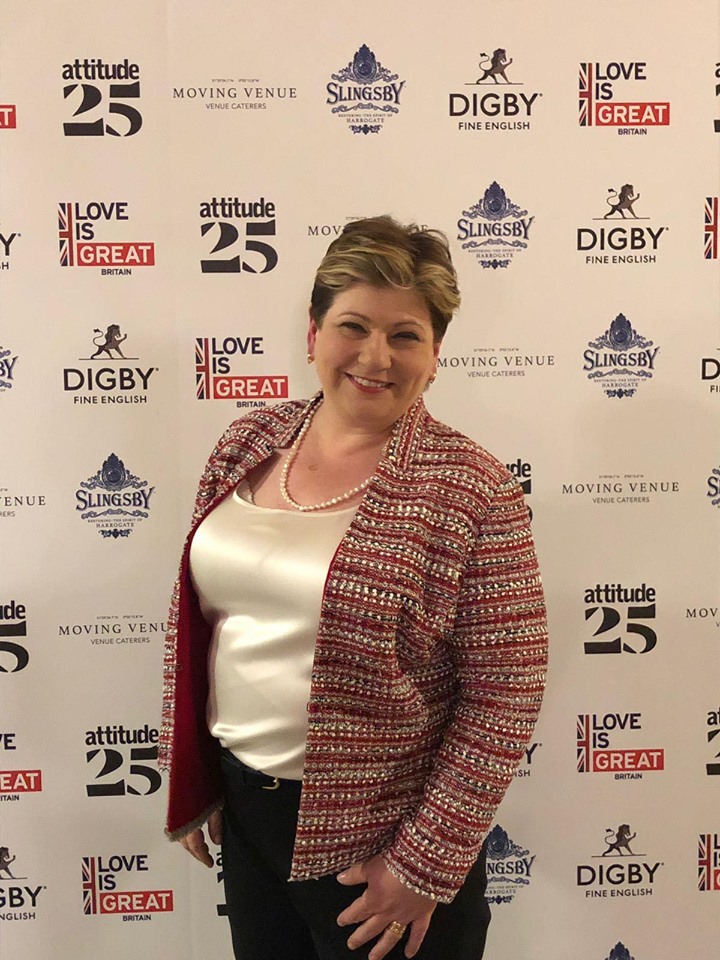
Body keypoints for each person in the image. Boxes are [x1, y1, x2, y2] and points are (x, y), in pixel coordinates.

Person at [159, 216, 547, 960]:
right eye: (353, 326)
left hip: (382, 844)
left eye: (405, 335)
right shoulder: (247, 443)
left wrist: (424, 865)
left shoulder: (471, 488)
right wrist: (200, 777)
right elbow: (205, 626)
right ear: (313, 334)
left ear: (435, 355)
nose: (376, 356)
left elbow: (506, 691)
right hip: (248, 816)